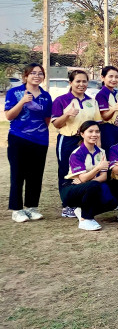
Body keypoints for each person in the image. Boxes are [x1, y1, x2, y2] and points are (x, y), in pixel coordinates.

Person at [5, 63, 52, 223]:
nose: (37, 76)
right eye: (33, 73)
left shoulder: (46, 96)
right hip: (18, 138)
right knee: (18, 174)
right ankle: (17, 210)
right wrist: (22, 102)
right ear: (25, 76)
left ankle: (32, 207)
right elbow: (9, 116)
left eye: (40, 73)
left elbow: (47, 119)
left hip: (40, 140)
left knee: (36, 175)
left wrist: (38, 133)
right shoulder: (15, 92)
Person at [52, 69, 102, 217]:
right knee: (66, 172)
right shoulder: (61, 100)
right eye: (78, 81)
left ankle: (82, 201)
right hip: (68, 139)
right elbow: (56, 124)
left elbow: (97, 125)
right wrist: (67, 114)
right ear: (70, 82)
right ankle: (67, 205)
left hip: (88, 141)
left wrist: (99, 147)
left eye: (84, 81)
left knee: (86, 170)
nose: (81, 84)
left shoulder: (92, 101)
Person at [61, 121, 111, 231]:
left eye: (97, 132)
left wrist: (88, 180)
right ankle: (85, 219)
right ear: (82, 134)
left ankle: (81, 210)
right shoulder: (77, 153)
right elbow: (83, 178)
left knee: (112, 200)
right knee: (93, 186)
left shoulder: (101, 152)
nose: (94, 134)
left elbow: (104, 177)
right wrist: (98, 168)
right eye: (90, 131)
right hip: (71, 188)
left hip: (89, 186)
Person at [96, 65, 118, 152]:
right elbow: (105, 117)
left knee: (117, 154)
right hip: (107, 130)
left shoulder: (116, 93)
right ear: (103, 78)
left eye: (116, 77)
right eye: (111, 76)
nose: (114, 79)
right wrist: (113, 109)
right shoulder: (101, 94)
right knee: (109, 154)